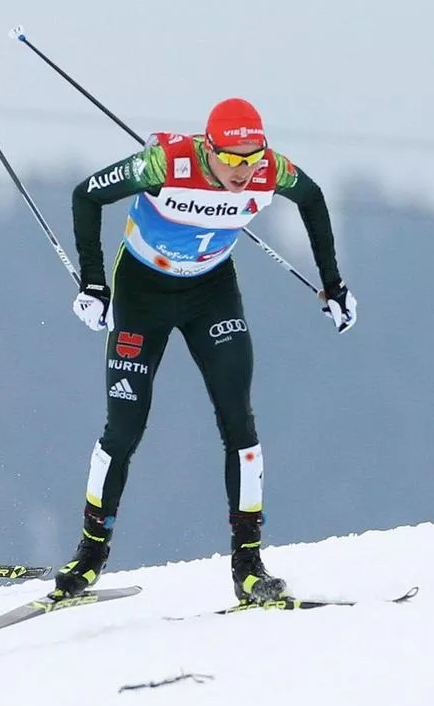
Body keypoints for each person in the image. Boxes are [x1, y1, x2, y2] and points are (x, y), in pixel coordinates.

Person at [55, 98, 356, 604]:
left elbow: (313, 198)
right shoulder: (164, 164)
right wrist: (93, 285)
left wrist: (334, 284)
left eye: (253, 157)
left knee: (239, 420)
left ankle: (249, 564)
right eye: (232, 159)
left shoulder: (269, 169)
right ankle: (90, 554)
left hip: (211, 294)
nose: (244, 171)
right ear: (209, 148)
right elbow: (86, 196)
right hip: (142, 295)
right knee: (124, 427)